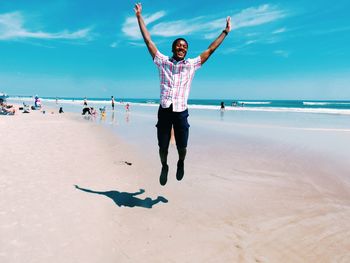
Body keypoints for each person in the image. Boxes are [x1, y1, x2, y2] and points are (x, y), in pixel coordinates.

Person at [134, 3, 231, 185]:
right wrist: (139, 16)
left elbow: (210, 50)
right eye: (178, 45)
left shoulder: (191, 65)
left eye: (184, 46)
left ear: (186, 50)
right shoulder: (162, 62)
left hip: (181, 112)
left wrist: (225, 32)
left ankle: (180, 162)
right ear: (173, 48)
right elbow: (148, 41)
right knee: (162, 147)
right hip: (164, 110)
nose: (181, 48)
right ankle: (164, 166)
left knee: (182, 146)